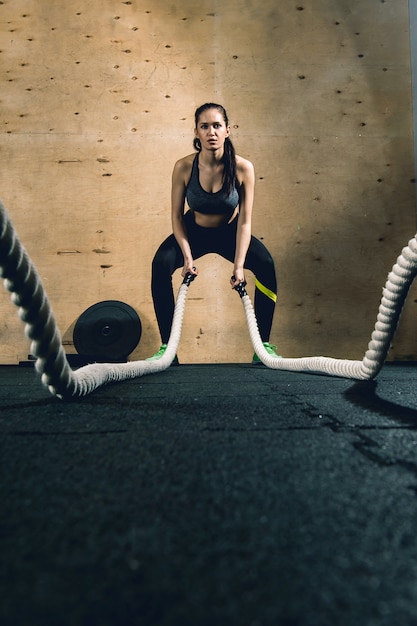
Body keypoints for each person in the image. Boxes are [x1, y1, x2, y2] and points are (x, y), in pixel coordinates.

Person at [147, 102, 279, 364]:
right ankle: (167, 349)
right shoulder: (184, 167)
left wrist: (239, 266)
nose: (211, 132)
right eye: (204, 126)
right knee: (160, 264)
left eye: (217, 126)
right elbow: (176, 216)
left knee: (265, 264)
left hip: (229, 232)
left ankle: (262, 346)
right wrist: (187, 258)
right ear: (196, 132)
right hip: (193, 231)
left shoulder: (243, 168)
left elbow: (244, 222)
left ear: (227, 130)